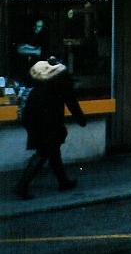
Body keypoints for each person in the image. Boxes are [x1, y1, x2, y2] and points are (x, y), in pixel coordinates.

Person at [14, 56, 86, 200]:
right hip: (48, 118)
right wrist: (81, 119)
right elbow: (71, 101)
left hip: (32, 115)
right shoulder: (62, 77)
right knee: (44, 151)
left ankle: (63, 182)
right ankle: (22, 186)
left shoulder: (38, 73)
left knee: (53, 150)